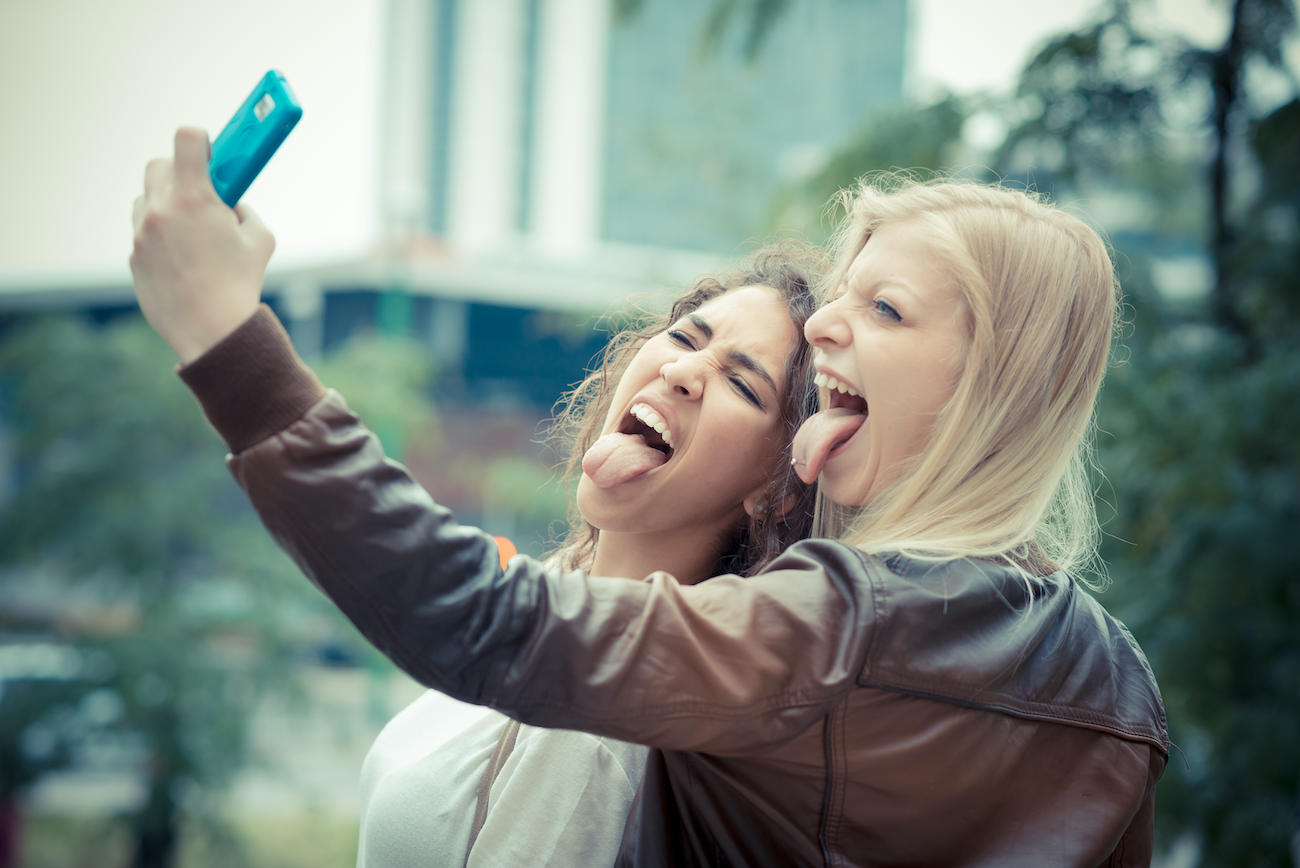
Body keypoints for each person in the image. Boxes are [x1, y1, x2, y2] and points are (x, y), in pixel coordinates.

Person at [131, 129, 1168, 866]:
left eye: (885, 308)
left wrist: (229, 340)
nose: (821, 328)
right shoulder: (1119, 689)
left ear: (990, 394)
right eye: (684, 336)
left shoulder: (814, 635)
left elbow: (482, 621)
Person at [355, 244, 823, 867]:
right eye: (686, 337)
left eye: (742, 383)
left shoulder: (610, 712)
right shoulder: (550, 590)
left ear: (776, 488)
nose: (686, 370)